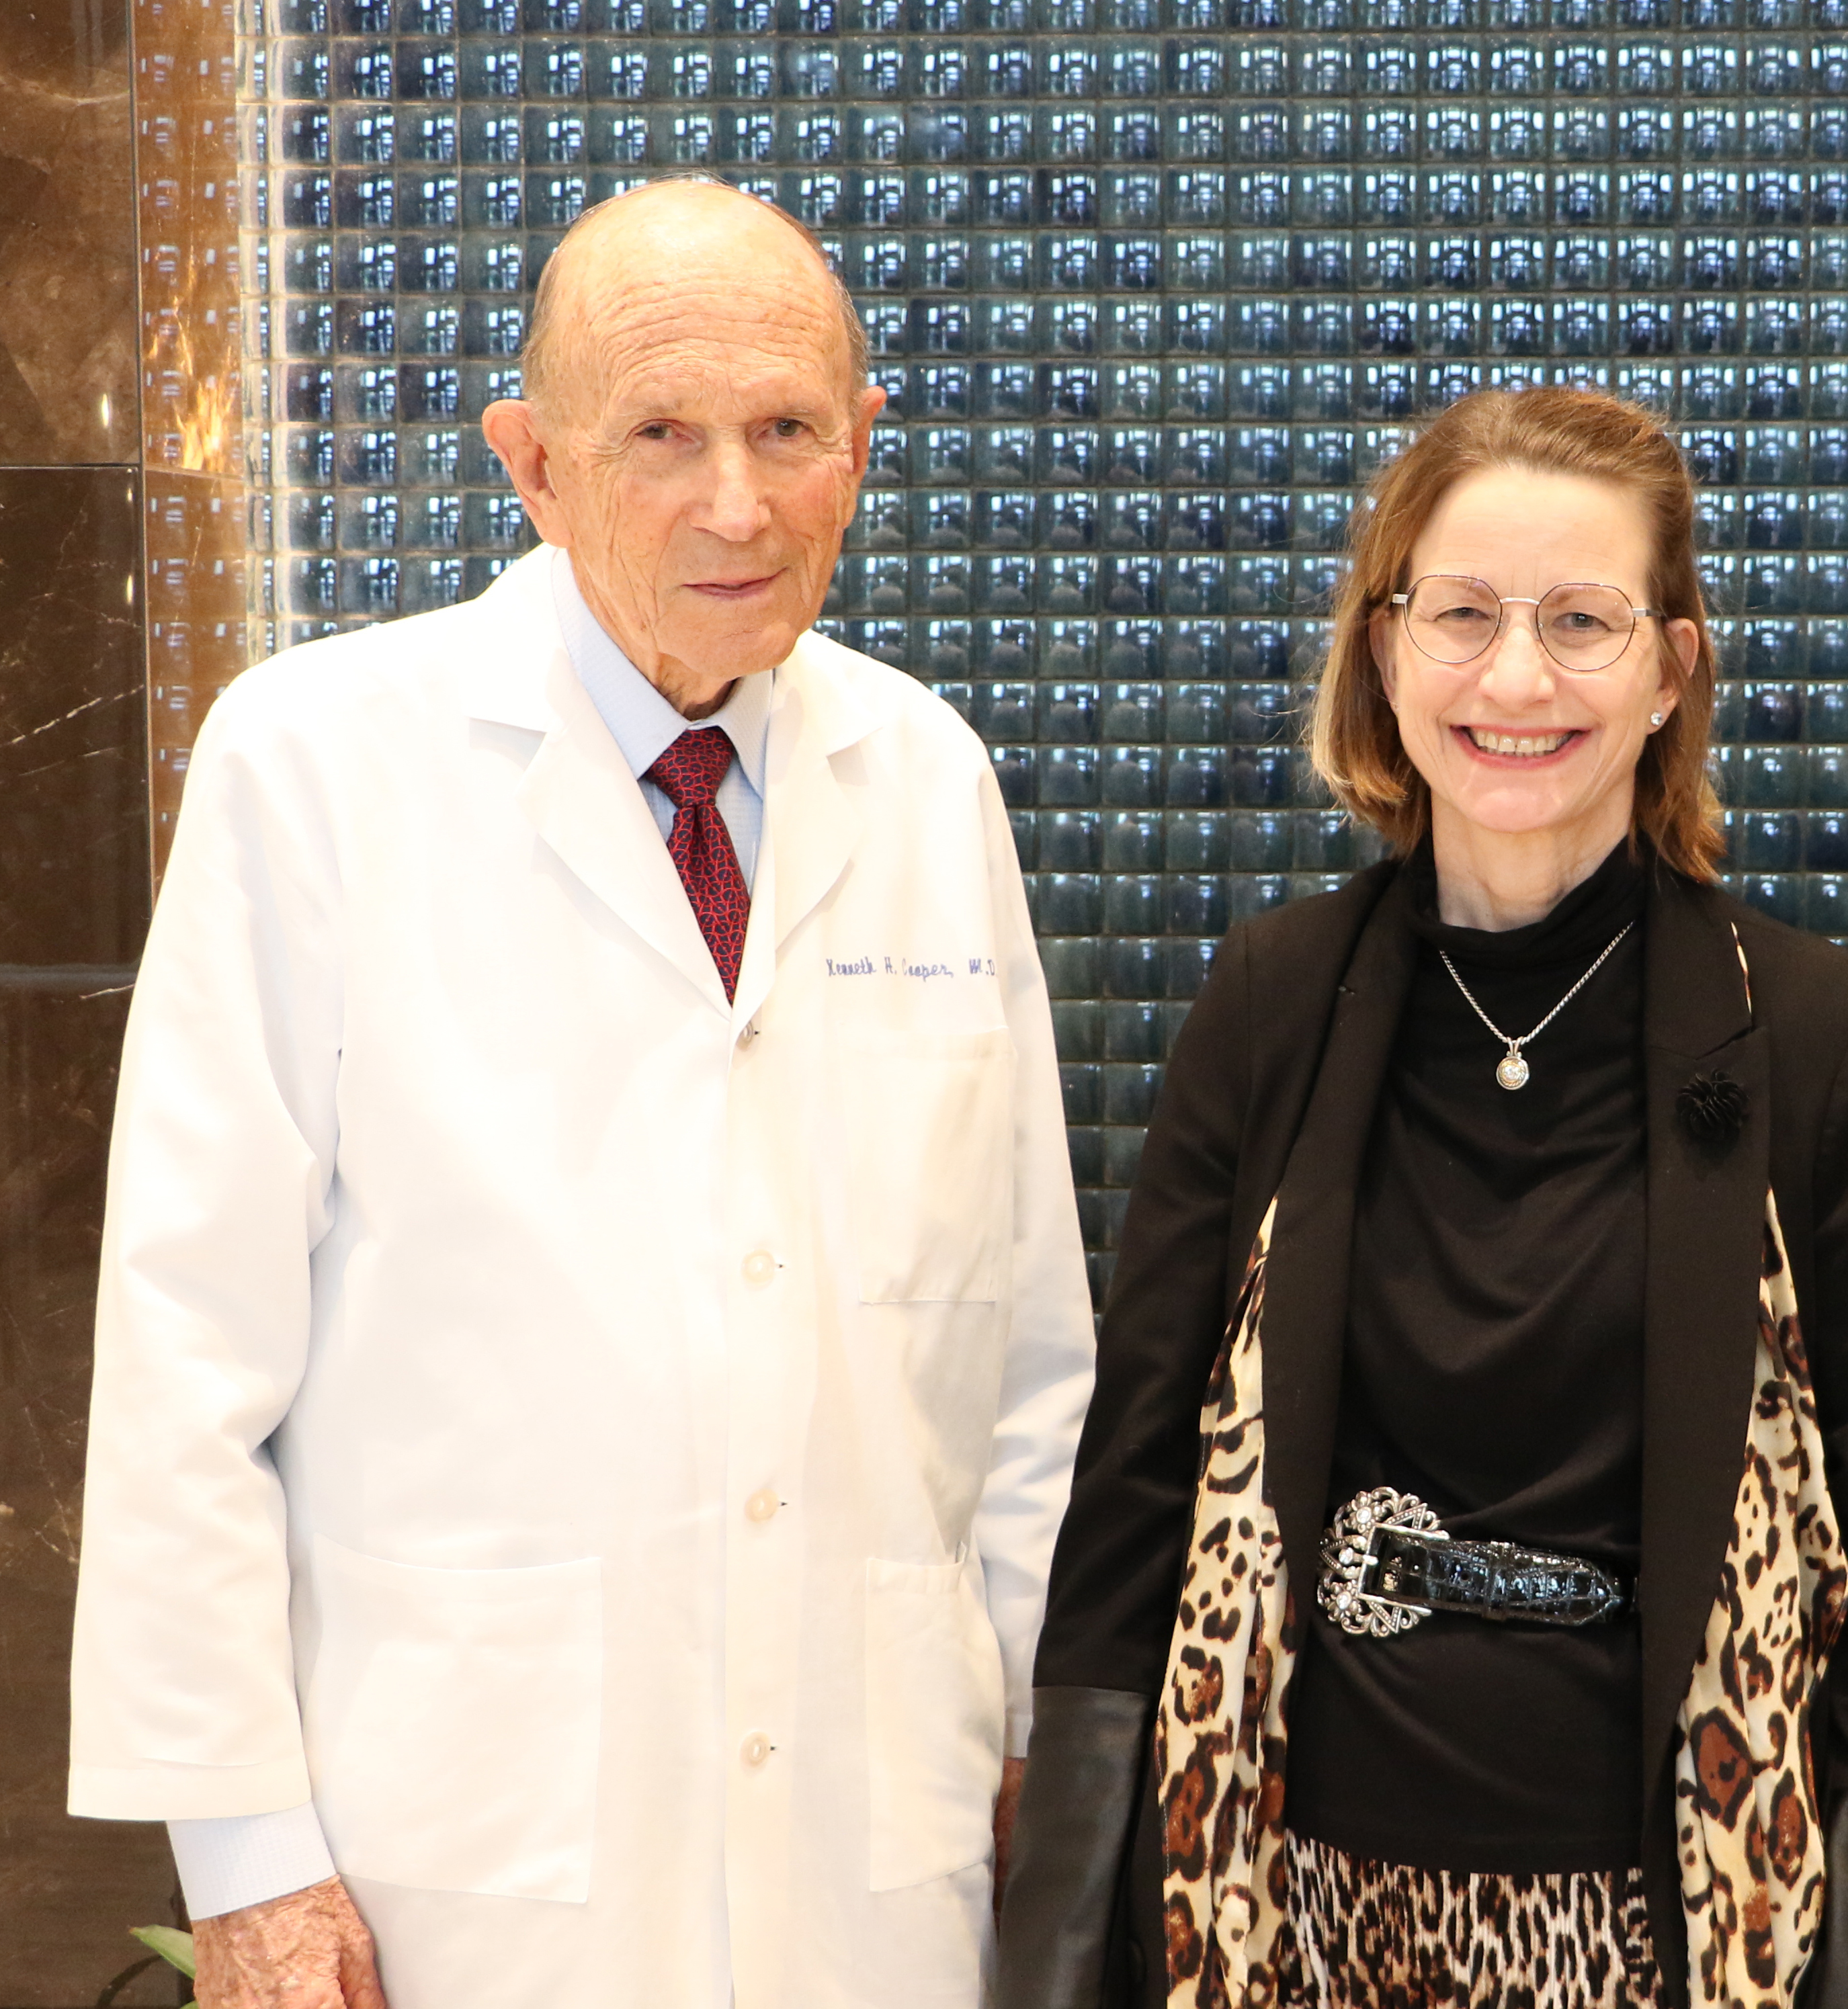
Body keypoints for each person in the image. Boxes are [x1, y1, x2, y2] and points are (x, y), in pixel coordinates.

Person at [65, 178, 1095, 2009]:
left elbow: (1024, 1345)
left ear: (862, 448)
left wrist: (1014, 1728)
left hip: (879, 1837)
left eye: (788, 432)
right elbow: (185, 1353)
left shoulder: (928, 778)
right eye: (660, 437)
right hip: (450, 1856)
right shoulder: (311, 762)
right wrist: (244, 1856)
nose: (737, 502)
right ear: (529, 464)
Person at [995, 386, 1848, 2009]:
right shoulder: (1270, 1002)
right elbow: (1130, 1523)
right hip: (1279, 1925)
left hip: (1686, 1943)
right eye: (1460, 615)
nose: (1514, 678)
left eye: (1580, 622)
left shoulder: (1827, 1045)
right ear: (1384, 653)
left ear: (1671, 671)